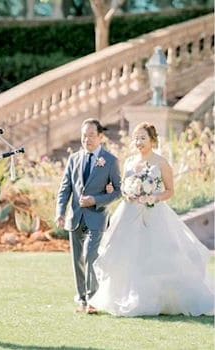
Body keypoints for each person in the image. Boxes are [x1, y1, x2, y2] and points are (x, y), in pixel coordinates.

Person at [89, 122, 214, 316]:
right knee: (126, 254)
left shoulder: (161, 162)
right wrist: (128, 193)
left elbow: (170, 191)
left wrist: (153, 197)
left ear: (152, 139)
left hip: (154, 214)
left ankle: (160, 299)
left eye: (143, 138)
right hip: (129, 213)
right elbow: (124, 186)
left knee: (156, 255)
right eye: (136, 138)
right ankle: (126, 296)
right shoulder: (130, 161)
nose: (138, 142)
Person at [56, 118, 121, 314]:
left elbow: (118, 191)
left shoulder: (110, 161)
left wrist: (96, 200)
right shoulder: (74, 158)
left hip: (97, 217)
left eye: (91, 135)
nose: (87, 139)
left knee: (90, 256)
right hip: (75, 217)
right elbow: (65, 188)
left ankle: (93, 300)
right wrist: (60, 212)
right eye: (84, 135)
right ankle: (82, 299)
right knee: (77, 260)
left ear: (100, 137)